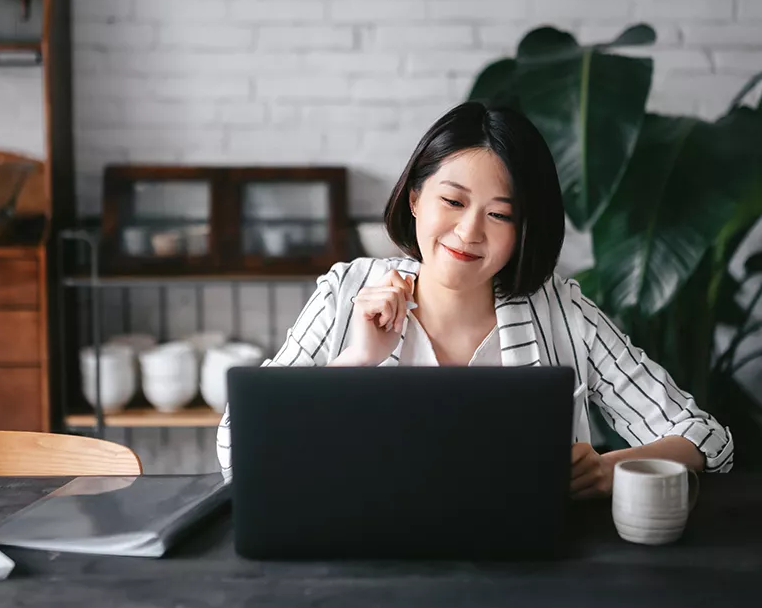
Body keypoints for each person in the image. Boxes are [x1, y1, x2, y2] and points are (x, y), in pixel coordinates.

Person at [216, 101, 734, 496]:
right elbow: (240, 448)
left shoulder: (561, 311)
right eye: (453, 201)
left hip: (533, 577)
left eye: (500, 214)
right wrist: (356, 360)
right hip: (364, 566)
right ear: (415, 198)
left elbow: (706, 439)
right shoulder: (346, 292)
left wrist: (606, 468)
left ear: (524, 229)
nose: (469, 232)